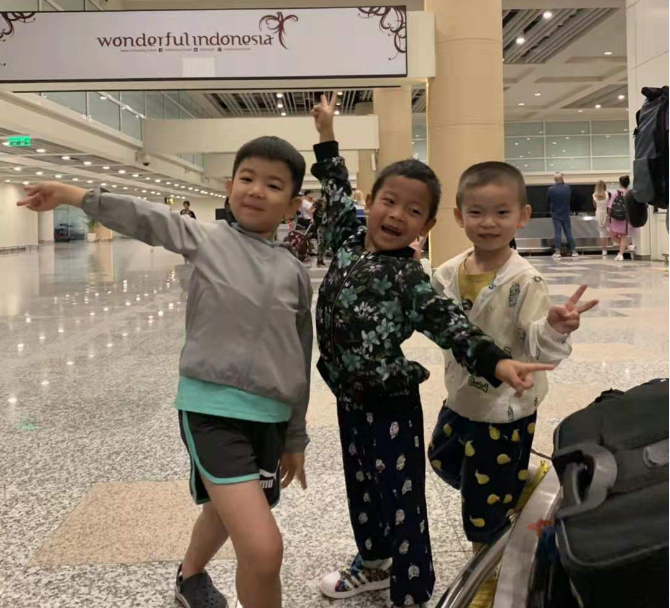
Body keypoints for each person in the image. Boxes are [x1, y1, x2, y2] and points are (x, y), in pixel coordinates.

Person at [17, 136, 313, 608]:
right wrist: (74, 195)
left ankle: (189, 576)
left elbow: (299, 351)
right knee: (263, 550)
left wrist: (295, 435)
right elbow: (147, 218)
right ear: (229, 186)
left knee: (224, 509)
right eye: (247, 178)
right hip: (211, 412)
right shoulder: (207, 239)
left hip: (270, 419)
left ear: (293, 204)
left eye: (274, 185)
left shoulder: (293, 271)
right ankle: (193, 577)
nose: (257, 190)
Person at [310, 94, 554, 608]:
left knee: (401, 502)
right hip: (346, 397)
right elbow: (333, 188)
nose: (397, 214)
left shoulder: (411, 281)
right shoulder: (348, 239)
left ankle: (412, 589)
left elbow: (455, 329)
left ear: (426, 228)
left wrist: (498, 362)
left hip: (388, 406)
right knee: (362, 490)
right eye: (389, 201)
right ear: (370, 202)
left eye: (414, 211)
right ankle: (374, 563)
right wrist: (327, 134)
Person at [427, 162, 597, 560]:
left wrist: (554, 328)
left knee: (482, 507)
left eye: (501, 212)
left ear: (522, 216)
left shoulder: (525, 280)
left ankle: (486, 568)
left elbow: (537, 344)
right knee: (442, 458)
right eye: (477, 212)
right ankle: (523, 482)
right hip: (462, 396)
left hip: (505, 406)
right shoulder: (447, 273)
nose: (488, 222)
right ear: (459, 216)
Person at [547, 172, 579, 258]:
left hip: (555, 214)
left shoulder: (551, 189)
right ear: (562, 179)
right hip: (565, 213)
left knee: (558, 232)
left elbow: (548, 201)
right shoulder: (567, 188)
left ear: (554, 179)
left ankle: (557, 252)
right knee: (568, 232)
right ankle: (574, 251)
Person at [608, 175, 634, 261]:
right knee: (623, 236)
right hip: (625, 217)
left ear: (620, 183)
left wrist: (610, 216)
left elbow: (609, 207)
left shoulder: (615, 193)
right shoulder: (630, 194)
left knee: (612, 236)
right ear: (628, 184)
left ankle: (622, 252)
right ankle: (622, 252)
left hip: (615, 217)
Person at [593, 180, 610, 256]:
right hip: (606, 213)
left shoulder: (594, 195)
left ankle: (604, 251)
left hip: (598, 213)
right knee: (609, 231)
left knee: (602, 233)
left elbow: (595, 205)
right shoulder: (607, 194)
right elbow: (609, 204)